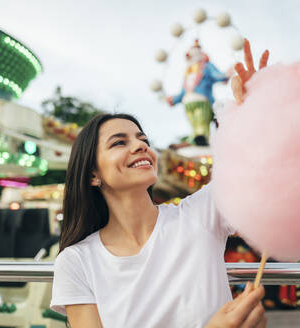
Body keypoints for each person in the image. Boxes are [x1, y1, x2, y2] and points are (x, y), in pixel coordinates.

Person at [50, 39, 269, 328]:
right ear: (93, 174)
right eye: (119, 142)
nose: (141, 147)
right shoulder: (77, 262)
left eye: (143, 140)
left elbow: (253, 166)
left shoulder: (200, 215)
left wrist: (256, 112)